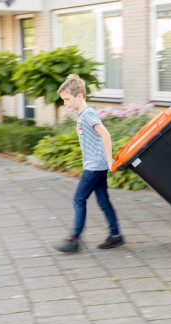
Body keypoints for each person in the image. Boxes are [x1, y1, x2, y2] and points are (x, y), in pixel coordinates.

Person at [53, 74, 124, 253]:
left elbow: (105, 134)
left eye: (67, 99)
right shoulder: (82, 114)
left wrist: (109, 159)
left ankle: (74, 239)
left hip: (95, 166)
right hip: (96, 165)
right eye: (63, 100)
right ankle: (115, 235)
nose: (65, 103)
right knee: (102, 201)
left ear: (80, 96)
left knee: (78, 199)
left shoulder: (88, 114)